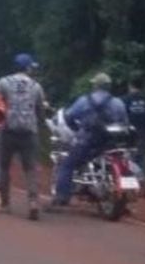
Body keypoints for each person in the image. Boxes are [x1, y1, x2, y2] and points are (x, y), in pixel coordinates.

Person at [50, 73, 129, 209]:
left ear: (95, 85)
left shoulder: (84, 101)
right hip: (111, 144)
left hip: (88, 142)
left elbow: (69, 117)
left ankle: (62, 197)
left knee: (67, 165)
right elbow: (125, 122)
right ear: (109, 87)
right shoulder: (118, 103)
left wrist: (77, 129)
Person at [0, 54, 46, 221]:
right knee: (30, 168)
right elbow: (40, 109)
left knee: (4, 167)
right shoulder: (36, 86)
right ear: (27, 68)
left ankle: (5, 204)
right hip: (29, 132)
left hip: (8, 130)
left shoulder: (4, 82)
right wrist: (41, 124)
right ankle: (33, 203)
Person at [123, 75, 145, 173]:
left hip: (128, 131)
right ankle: (139, 176)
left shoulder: (124, 99)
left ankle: (128, 173)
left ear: (130, 86)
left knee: (128, 152)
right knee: (141, 153)